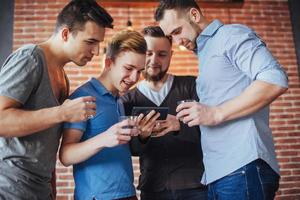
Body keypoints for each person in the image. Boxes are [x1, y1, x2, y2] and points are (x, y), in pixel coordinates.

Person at [154, 0, 288, 199]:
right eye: (171, 36)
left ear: (194, 15)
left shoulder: (231, 35)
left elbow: (274, 79)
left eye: (177, 31)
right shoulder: (206, 54)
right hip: (219, 174)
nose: (177, 40)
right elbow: (217, 110)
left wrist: (216, 113)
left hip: (242, 167)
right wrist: (179, 123)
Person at [0, 0, 113, 199]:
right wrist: (62, 113)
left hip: (39, 189)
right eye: (90, 42)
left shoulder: (63, 77)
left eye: (99, 44)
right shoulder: (30, 58)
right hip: (9, 186)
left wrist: (51, 189)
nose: (96, 51)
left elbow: (48, 143)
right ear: (66, 34)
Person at [59, 30, 157, 200]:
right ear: (109, 63)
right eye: (128, 68)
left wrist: (142, 135)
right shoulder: (83, 97)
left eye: (140, 71)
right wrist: (105, 138)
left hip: (128, 194)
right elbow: (66, 155)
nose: (135, 78)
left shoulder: (118, 99)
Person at [121, 26, 207, 200]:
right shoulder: (128, 100)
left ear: (171, 56)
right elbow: (130, 149)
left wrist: (179, 126)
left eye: (162, 54)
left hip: (195, 185)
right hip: (152, 188)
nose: (154, 60)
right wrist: (143, 136)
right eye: (148, 53)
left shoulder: (191, 86)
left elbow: (210, 132)